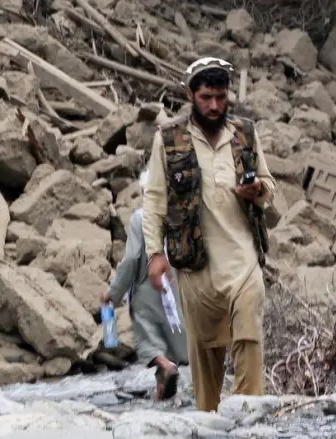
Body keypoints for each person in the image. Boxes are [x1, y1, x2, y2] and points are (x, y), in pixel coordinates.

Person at [141, 56, 277, 413]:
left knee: (249, 333)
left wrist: (257, 190)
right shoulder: (168, 140)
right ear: (190, 95)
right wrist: (155, 255)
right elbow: (155, 199)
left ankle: (248, 415)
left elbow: (270, 186)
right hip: (196, 265)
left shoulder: (245, 134)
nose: (214, 105)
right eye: (206, 97)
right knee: (205, 353)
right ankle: (208, 421)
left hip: (243, 258)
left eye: (220, 96)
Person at [103, 200, 188, 401]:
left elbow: (132, 259)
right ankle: (163, 388)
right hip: (177, 287)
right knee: (170, 339)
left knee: (148, 341)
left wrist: (113, 294)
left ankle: (166, 367)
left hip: (148, 287)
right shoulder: (182, 215)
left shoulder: (141, 218)